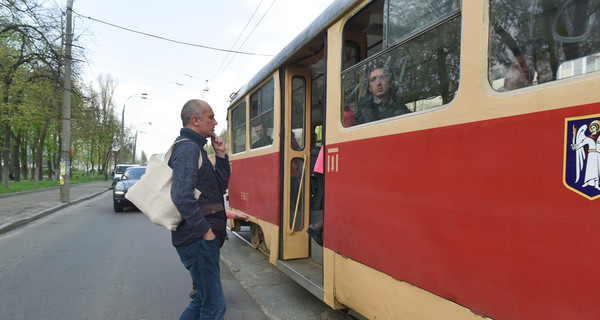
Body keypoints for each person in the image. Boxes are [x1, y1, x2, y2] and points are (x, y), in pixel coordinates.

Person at [169, 99, 230, 320]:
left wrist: (221, 155)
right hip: (198, 240)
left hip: (199, 241)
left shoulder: (197, 149)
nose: (215, 122)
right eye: (210, 117)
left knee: (204, 299)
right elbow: (182, 196)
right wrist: (206, 233)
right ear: (195, 120)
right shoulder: (187, 148)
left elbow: (218, 188)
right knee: (214, 307)